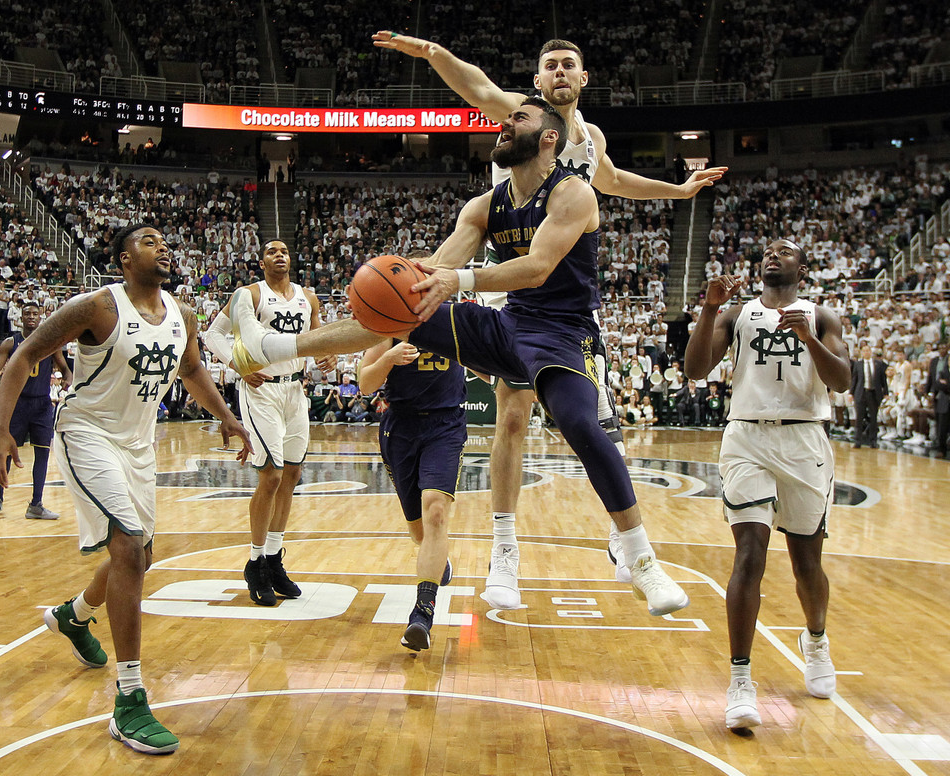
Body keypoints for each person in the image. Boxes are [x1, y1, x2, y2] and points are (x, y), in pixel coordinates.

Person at [230, 98, 689, 619]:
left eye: (519, 119)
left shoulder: (573, 193)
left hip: (562, 333)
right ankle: (274, 346)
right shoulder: (483, 205)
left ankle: (641, 557)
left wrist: (458, 280)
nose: (504, 123)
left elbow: (536, 268)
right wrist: (404, 277)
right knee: (402, 311)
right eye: (506, 116)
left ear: (547, 139)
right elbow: (440, 267)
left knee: (581, 423)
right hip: (507, 325)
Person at [372, 30, 727, 605]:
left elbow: (613, 182)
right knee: (512, 419)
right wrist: (434, 52)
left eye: (569, 65)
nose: (559, 72)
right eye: (549, 66)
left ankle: (625, 542)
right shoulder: (522, 119)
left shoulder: (588, 139)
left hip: (565, 291)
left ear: (583, 79)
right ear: (537, 81)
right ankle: (505, 553)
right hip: (504, 281)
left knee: (590, 422)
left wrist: (679, 193)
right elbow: (475, 84)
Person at [0, 224, 252, 755]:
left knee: (141, 556)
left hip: (139, 445)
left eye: (165, 238)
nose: (164, 245)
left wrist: (225, 415)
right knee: (128, 546)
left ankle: (74, 616)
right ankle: (129, 700)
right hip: (87, 433)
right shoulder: (96, 307)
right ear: (125, 259)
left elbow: (193, 368)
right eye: (151, 239)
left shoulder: (184, 315)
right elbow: (24, 356)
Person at [683, 238, 852, 730]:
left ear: (803, 267)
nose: (773, 255)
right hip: (747, 436)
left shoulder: (822, 315)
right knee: (749, 553)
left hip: (805, 440)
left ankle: (816, 639)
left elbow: (842, 382)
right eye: (769, 251)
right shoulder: (736, 313)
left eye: (785, 251)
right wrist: (708, 309)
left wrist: (811, 341)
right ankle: (740, 680)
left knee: (806, 567)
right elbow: (696, 369)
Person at [203, 239, 329, 607]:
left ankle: (274, 558)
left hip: (294, 390)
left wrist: (327, 358)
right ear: (261, 262)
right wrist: (237, 363)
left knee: (291, 475)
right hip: (261, 391)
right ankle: (255, 562)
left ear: (291, 259)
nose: (279, 255)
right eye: (272, 252)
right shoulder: (249, 295)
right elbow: (213, 335)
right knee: (271, 476)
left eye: (285, 251)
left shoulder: (309, 298)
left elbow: (318, 338)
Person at [358, 336, 463, 650]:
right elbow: (365, 382)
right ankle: (437, 561)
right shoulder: (390, 323)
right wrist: (389, 358)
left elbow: (487, 365)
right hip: (400, 427)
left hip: (446, 423)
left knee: (436, 511)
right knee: (419, 532)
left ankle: (422, 613)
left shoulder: (455, 319)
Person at [0, 301, 71, 519]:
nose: (31, 317)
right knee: (6, 452)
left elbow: (66, 369)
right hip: (17, 403)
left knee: (42, 453)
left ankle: (36, 504)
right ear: (20, 318)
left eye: (35, 313)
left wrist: (68, 379)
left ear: (41, 316)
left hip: (41, 404)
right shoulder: (11, 342)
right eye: (27, 314)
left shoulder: (51, 342)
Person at [850, 343, 887, 448]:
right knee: (859, 418)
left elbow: (883, 380)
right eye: (864, 351)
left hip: (874, 393)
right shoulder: (858, 364)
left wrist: (886, 393)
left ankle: (873, 440)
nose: (866, 352)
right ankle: (857, 440)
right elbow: (854, 380)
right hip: (861, 393)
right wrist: (851, 393)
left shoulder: (878, 364)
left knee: (873, 418)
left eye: (868, 350)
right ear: (862, 353)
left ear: (871, 352)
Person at [926, 341, 949, 456]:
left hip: (944, 394)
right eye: (940, 348)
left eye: (944, 347)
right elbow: (934, 380)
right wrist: (928, 392)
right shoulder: (934, 362)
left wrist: (945, 384)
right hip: (940, 396)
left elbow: (944, 383)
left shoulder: (947, 361)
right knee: (941, 423)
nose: (942, 350)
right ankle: (941, 447)